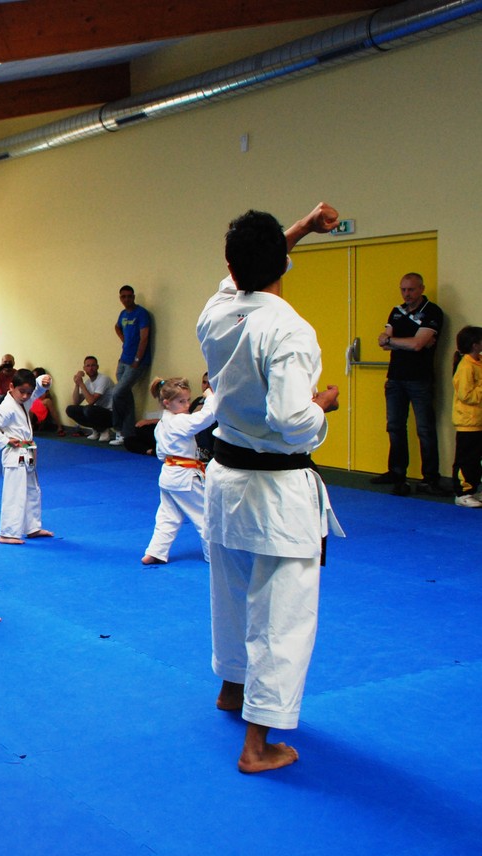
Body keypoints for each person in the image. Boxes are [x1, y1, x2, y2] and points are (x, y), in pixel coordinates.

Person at [196, 202, 345, 774]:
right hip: (277, 492)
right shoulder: (289, 329)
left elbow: (250, 267)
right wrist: (322, 406)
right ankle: (258, 745)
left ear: (230, 267)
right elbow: (292, 419)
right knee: (282, 616)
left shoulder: (216, 312)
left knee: (232, 596)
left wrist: (301, 227)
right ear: (281, 263)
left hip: (225, 481)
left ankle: (232, 688)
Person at [371, 273, 450, 496]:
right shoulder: (396, 311)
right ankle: (397, 473)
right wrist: (398, 341)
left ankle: (430, 478)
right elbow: (383, 342)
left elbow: (417, 344)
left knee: (425, 429)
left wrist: (394, 341)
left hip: (419, 379)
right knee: (395, 426)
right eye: (403, 289)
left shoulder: (432, 312)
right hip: (395, 378)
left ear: (421, 289)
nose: (406, 294)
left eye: (411, 290)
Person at [141, 377, 218, 565]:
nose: (187, 405)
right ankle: (214, 556)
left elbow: (161, 453)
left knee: (168, 517)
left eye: (188, 400)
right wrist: (210, 397)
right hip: (184, 477)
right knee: (205, 515)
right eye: (181, 401)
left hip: (168, 474)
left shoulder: (161, 424)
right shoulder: (179, 421)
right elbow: (206, 417)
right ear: (167, 403)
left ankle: (156, 551)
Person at [0, 368, 54, 544]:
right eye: (22, 391)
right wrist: (5, 440)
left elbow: (37, 390)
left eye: (28, 393)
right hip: (15, 454)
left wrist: (43, 381)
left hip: (27, 452)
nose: (25, 396)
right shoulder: (7, 406)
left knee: (32, 491)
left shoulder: (24, 401)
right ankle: (7, 533)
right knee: (14, 493)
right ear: (11, 387)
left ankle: (32, 528)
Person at [106, 286, 152, 445]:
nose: (126, 299)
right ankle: (128, 433)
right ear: (120, 298)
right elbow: (117, 326)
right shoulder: (123, 314)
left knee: (117, 393)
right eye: (123, 297)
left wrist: (137, 359)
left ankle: (118, 429)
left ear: (133, 297)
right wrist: (123, 340)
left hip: (136, 362)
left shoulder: (141, 313)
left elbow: (144, 338)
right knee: (126, 396)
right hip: (123, 360)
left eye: (129, 296)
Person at [450, 326, 482, 508]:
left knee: (476, 459)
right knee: (467, 459)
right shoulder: (465, 366)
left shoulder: (478, 363)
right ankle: (462, 492)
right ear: (475, 345)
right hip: (468, 422)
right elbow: (466, 395)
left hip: (479, 421)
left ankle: (474, 489)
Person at [66, 355, 114, 440]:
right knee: (70, 409)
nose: (91, 368)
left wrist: (81, 383)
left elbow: (91, 401)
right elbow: (76, 402)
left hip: (111, 414)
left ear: (97, 367)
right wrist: (77, 384)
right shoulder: (87, 383)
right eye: (88, 366)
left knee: (88, 409)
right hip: (99, 413)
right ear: (84, 368)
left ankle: (103, 430)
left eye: (93, 365)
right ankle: (97, 428)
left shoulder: (103, 379)